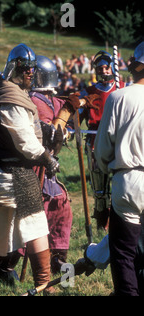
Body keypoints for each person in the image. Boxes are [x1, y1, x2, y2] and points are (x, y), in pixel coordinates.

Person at [0, 44, 60, 293]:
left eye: (32, 70)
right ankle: (44, 283)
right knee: (35, 225)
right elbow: (23, 139)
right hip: (12, 175)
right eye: (25, 70)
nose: (30, 74)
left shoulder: (7, 89)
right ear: (14, 67)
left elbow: (23, 128)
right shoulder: (7, 96)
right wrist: (46, 158)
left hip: (4, 174)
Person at [28, 55, 98, 274]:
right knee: (38, 213)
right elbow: (49, 132)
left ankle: (57, 258)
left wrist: (82, 101)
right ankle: (11, 264)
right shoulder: (32, 101)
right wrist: (65, 116)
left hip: (48, 167)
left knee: (61, 206)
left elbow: (66, 107)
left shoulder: (49, 98)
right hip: (34, 165)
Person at [93, 41, 144, 296]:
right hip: (131, 178)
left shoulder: (118, 98)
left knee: (123, 253)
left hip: (128, 181)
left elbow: (101, 152)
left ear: (134, 67)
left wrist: (105, 174)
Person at [79, 50, 125, 231]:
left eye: (107, 67)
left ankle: (120, 224)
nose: (104, 71)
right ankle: (101, 225)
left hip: (119, 143)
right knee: (99, 192)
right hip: (95, 144)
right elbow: (77, 115)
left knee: (121, 187)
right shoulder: (89, 92)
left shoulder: (123, 87)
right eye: (100, 68)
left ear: (113, 68)